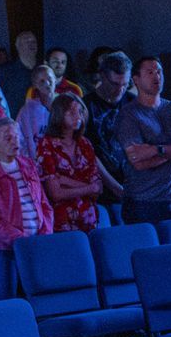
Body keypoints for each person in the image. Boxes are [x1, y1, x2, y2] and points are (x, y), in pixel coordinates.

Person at [0, 117, 54, 298]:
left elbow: (44, 205)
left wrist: (44, 234)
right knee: (6, 300)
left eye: (16, 136)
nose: (15, 140)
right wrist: (18, 239)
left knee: (39, 297)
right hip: (3, 250)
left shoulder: (28, 165)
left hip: (34, 243)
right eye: (8, 138)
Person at [112, 56, 171, 224]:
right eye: (150, 72)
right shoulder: (128, 114)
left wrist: (155, 150)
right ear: (136, 79)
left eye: (159, 72)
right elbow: (138, 161)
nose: (156, 76)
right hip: (143, 202)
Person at [38, 91, 114, 235]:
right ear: (59, 114)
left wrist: (65, 180)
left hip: (90, 221)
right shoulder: (46, 144)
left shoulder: (85, 144)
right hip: (62, 223)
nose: (78, 116)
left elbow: (98, 189)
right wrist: (88, 188)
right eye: (72, 112)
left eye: (80, 111)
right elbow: (55, 193)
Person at [85, 50, 136, 197]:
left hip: (133, 184)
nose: (120, 90)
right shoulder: (86, 106)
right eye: (114, 84)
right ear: (102, 76)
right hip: (99, 187)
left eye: (125, 84)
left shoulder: (133, 103)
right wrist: (116, 188)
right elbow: (88, 153)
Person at [16, 66, 58, 157]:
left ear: (55, 80)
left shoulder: (64, 105)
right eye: (42, 81)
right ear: (35, 84)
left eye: (49, 79)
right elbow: (19, 139)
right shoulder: (27, 111)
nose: (47, 83)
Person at [0, 30, 41, 103]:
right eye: (27, 41)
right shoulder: (4, 72)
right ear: (18, 46)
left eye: (34, 41)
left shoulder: (44, 69)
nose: (31, 44)